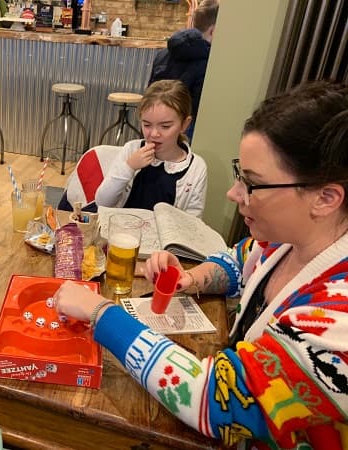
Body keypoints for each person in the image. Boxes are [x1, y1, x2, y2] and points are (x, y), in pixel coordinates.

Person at [55, 80, 348, 449]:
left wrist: (100, 313)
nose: (233, 192)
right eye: (240, 174)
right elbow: (235, 260)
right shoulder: (282, 242)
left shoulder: (337, 321)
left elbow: (214, 398)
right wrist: (189, 277)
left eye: (253, 184)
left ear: (325, 198)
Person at [95, 79, 208, 218]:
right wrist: (128, 167)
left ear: (184, 124)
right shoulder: (132, 149)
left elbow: (193, 222)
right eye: (147, 125)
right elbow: (102, 201)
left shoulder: (196, 167)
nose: (154, 134)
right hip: (121, 234)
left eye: (165, 126)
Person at [150, 0, 219, 141]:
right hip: (185, 132)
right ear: (213, 30)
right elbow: (202, 111)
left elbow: (150, 94)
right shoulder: (210, 63)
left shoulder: (163, 53)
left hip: (153, 128)